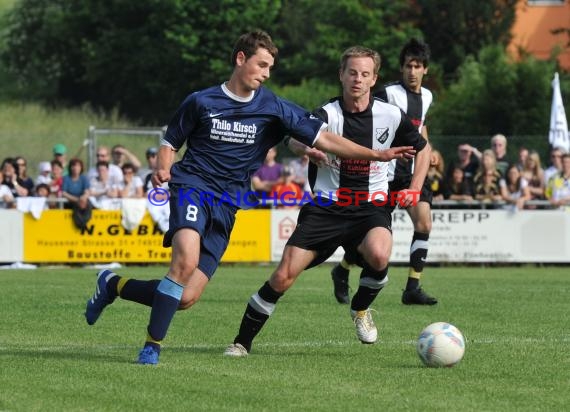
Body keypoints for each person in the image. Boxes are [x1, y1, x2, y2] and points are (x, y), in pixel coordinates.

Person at [83, 31, 415, 365]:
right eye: (262, 64)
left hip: (227, 205)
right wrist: (164, 168)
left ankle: (112, 285)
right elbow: (170, 142)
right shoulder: (201, 101)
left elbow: (323, 139)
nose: (267, 73)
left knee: (185, 297)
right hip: (193, 187)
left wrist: (375, 154)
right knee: (184, 262)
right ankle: (151, 347)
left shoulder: (273, 107)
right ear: (241, 59)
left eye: (270, 67)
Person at [224, 45, 429, 357]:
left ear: (374, 79)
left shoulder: (390, 115)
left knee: (379, 254)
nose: (357, 79)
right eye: (352, 73)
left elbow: (423, 148)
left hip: (370, 207)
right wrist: (306, 149)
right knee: (283, 276)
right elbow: (292, 138)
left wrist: (415, 186)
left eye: (364, 74)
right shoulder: (327, 114)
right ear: (341, 75)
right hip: (327, 208)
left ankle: (360, 309)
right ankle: (241, 342)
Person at [330, 38, 437, 306]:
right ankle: (342, 268)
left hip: (411, 173)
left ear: (425, 70)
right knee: (370, 238)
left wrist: (429, 148)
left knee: (424, 223)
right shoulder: (389, 94)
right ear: (401, 69)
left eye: (418, 66)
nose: (412, 71)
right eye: (408, 66)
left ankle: (413, 285)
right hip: (385, 175)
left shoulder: (427, 96)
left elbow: (420, 128)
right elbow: (366, 116)